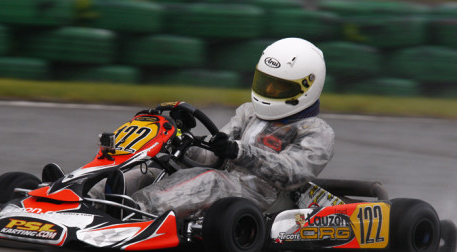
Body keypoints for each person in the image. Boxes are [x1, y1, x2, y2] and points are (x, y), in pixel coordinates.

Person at [127, 37, 336, 219]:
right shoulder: (249, 113)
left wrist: (239, 151)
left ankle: (137, 213)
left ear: (307, 87)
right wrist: (180, 141)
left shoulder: (316, 131)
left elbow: (291, 173)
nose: (269, 90)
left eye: (279, 86)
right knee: (157, 167)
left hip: (267, 198)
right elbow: (215, 153)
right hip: (229, 184)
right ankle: (101, 197)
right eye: (266, 83)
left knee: (211, 181)